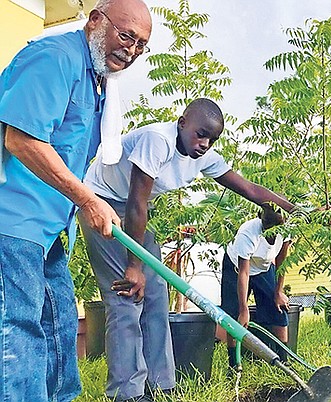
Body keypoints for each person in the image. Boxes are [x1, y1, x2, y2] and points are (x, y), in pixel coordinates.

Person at [80, 98, 295, 402]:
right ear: (182, 123)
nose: (205, 143)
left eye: (212, 139)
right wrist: (134, 265)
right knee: (127, 297)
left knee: (155, 296)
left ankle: (161, 386)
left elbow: (250, 190)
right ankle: (126, 393)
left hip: (135, 214)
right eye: (200, 134)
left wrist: (300, 211)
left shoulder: (203, 156)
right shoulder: (158, 140)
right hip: (102, 203)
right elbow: (137, 201)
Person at [0, 0, 151, 400]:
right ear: (96, 20)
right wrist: (89, 200)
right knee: (17, 332)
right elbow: (22, 139)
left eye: (141, 45)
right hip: (11, 220)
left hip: (47, 229)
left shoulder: (97, 80)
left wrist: (79, 204)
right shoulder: (54, 58)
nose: (131, 50)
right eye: (126, 35)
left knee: (60, 325)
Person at [220, 204, 292, 370]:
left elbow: (282, 261)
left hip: (263, 268)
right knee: (234, 315)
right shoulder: (248, 233)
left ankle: (284, 363)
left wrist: (278, 291)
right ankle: (234, 364)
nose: (271, 235)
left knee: (278, 310)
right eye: (268, 229)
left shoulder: (287, 230)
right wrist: (244, 309)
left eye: (275, 231)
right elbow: (243, 274)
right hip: (236, 268)